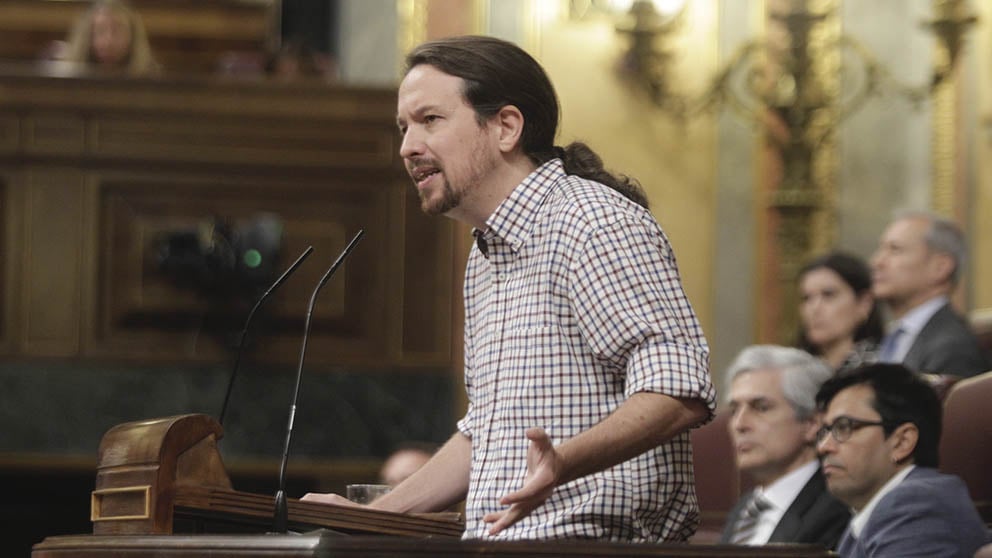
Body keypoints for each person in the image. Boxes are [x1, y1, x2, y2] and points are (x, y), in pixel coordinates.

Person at [303, 35, 715, 542]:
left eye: (430, 120)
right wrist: (369, 516)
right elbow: (485, 435)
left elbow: (678, 390)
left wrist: (566, 460)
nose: (408, 146)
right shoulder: (485, 254)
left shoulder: (592, 222)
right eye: (403, 127)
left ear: (506, 127)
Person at [815, 363, 990, 557]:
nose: (823, 446)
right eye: (825, 432)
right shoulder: (871, 516)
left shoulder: (915, 505)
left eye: (844, 426)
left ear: (902, 442)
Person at [720, 345, 849, 548]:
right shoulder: (745, 508)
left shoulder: (836, 508)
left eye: (761, 408)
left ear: (811, 424)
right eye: (734, 410)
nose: (739, 424)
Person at [871, 212, 989, 376]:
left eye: (895, 250)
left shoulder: (953, 348)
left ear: (940, 267)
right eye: (882, 249)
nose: (877, 262)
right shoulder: (893, 336)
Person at [796, 252, 883, 374]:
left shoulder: (882, 366)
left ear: (864, 303)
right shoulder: (793, 370)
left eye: (828, 295)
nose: (814, 308)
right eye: (807, 298)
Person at [62, 0, 161, 76]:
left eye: (117, 31)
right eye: (100, 31)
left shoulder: (151, 78)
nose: (108, 42)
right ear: (87, 36)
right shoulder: (65, 78)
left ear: (133, 36)